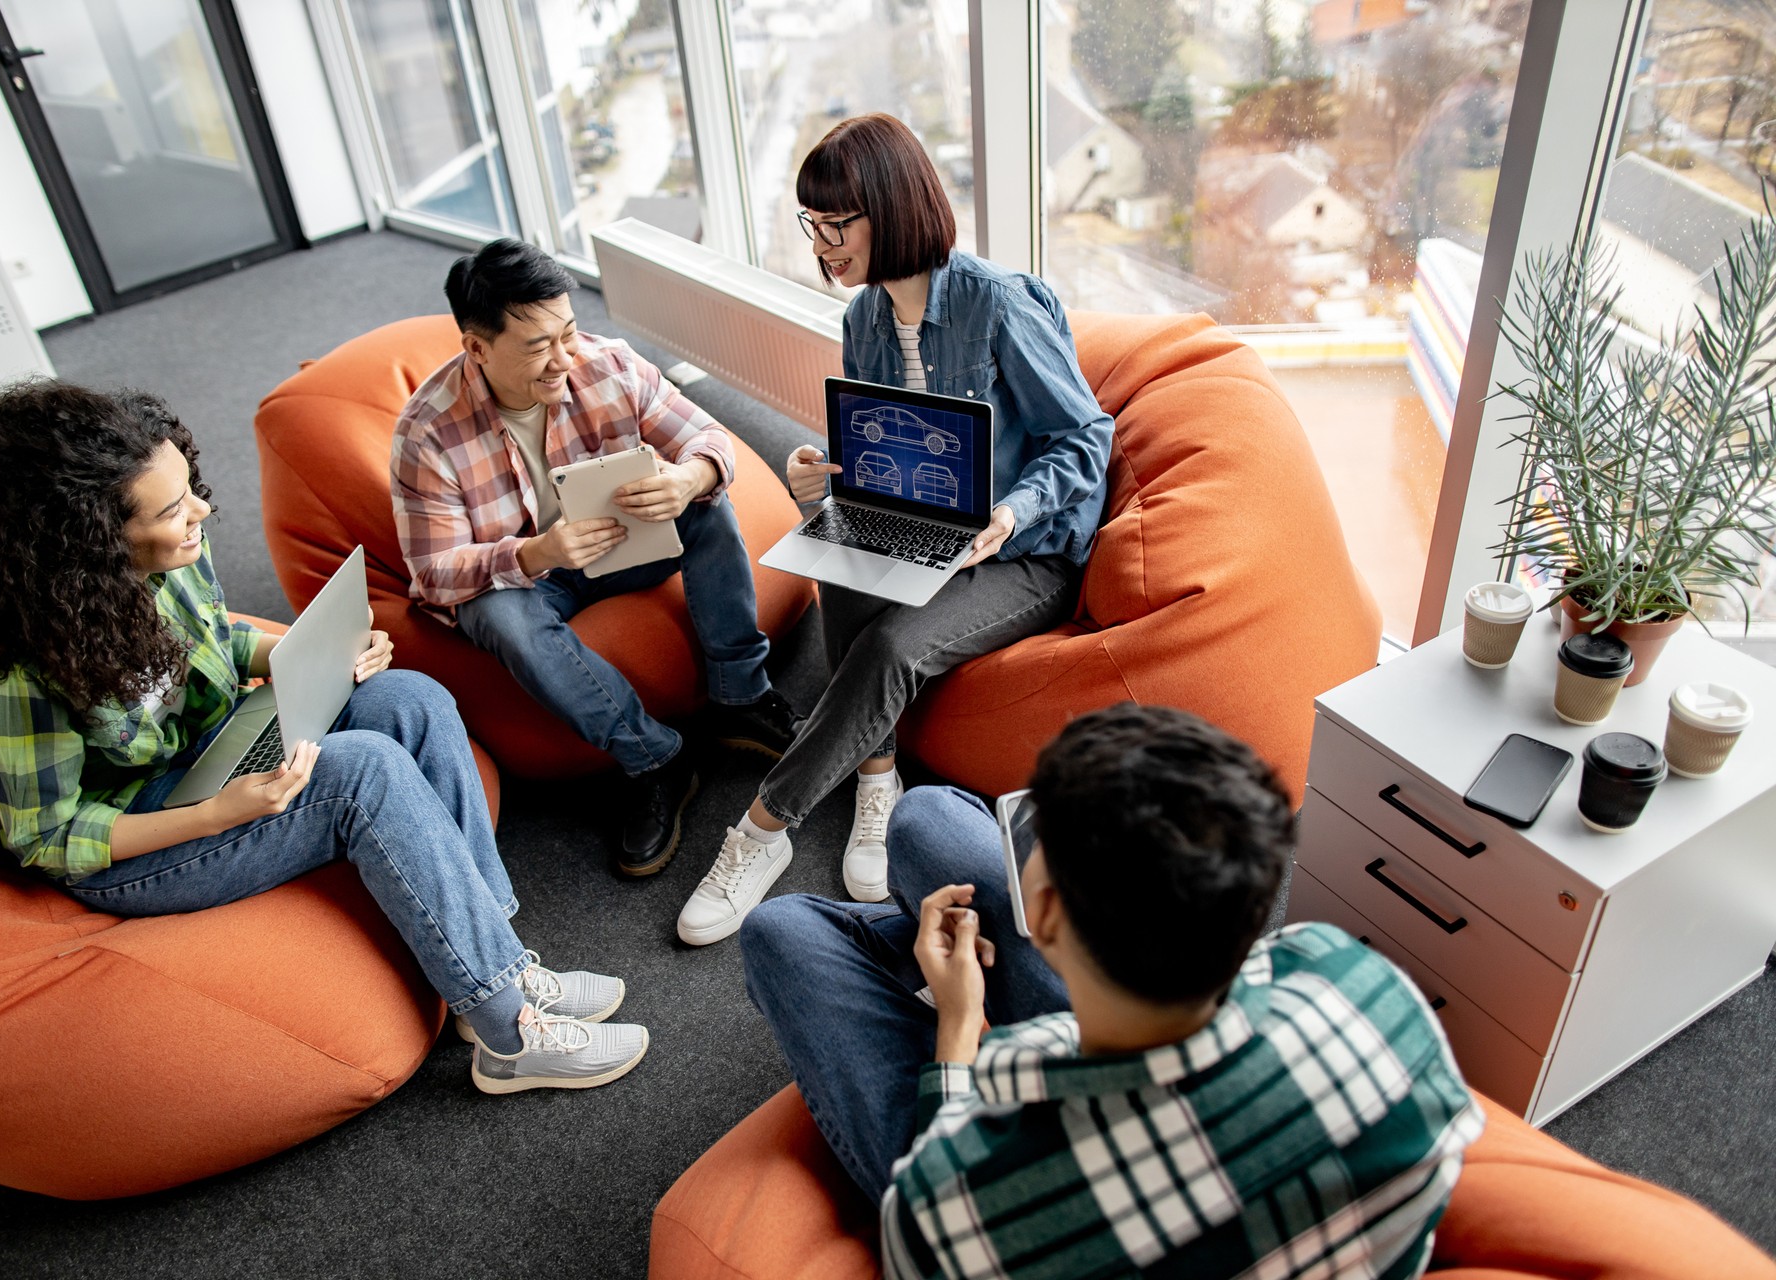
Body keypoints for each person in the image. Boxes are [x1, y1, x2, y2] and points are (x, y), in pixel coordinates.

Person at [0, 381, 649, 1096]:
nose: (198, 512)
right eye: (169, 509)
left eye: (189, 488)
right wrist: (217, 815)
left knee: (408, 698)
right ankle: (509, 1039)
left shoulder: (175, 561)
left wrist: (309, 657)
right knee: (361, 773)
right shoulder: (11, 670)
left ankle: (493, 973)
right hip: (136, 837)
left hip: (216, 748)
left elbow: (222, 641)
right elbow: (47, 835)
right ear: (89, 540)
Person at [741, 703, 1483, 1278]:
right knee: (926, 818)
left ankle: (914, 969)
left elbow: (933, 1196)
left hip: (1030, 1180)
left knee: (781, 932)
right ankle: (918, 951)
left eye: (1038, 839)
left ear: (1052, 916)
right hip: (1199, 1071)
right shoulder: (1361, 981)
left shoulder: (954, 1207)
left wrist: (961, 1027)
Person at [676, 113, 1114, 946]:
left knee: (888, 648)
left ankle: (761, 832)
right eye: (813, 222)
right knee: (834, 553)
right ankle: (878, 775)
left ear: (892, 208)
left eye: (838, 222)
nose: (822, 242)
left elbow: (1087, 437)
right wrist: (823, 472)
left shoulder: (999, 305)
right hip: (918, 523)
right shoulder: (864, 320)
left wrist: (1010, 510)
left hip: (1021, 549)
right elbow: (882, 442)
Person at [391, 238, 802, 877]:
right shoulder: (426, 432)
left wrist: (689, 478)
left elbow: (709, 438)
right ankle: (655, 758)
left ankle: (740, 695)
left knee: (708, 502)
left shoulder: (609, 364)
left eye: (569, 333)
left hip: (624, 546)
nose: (565, 358)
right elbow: (432, 573)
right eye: (538, 347)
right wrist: (532, 553)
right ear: (477, 346)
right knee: (497, 616)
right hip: (532, 577)